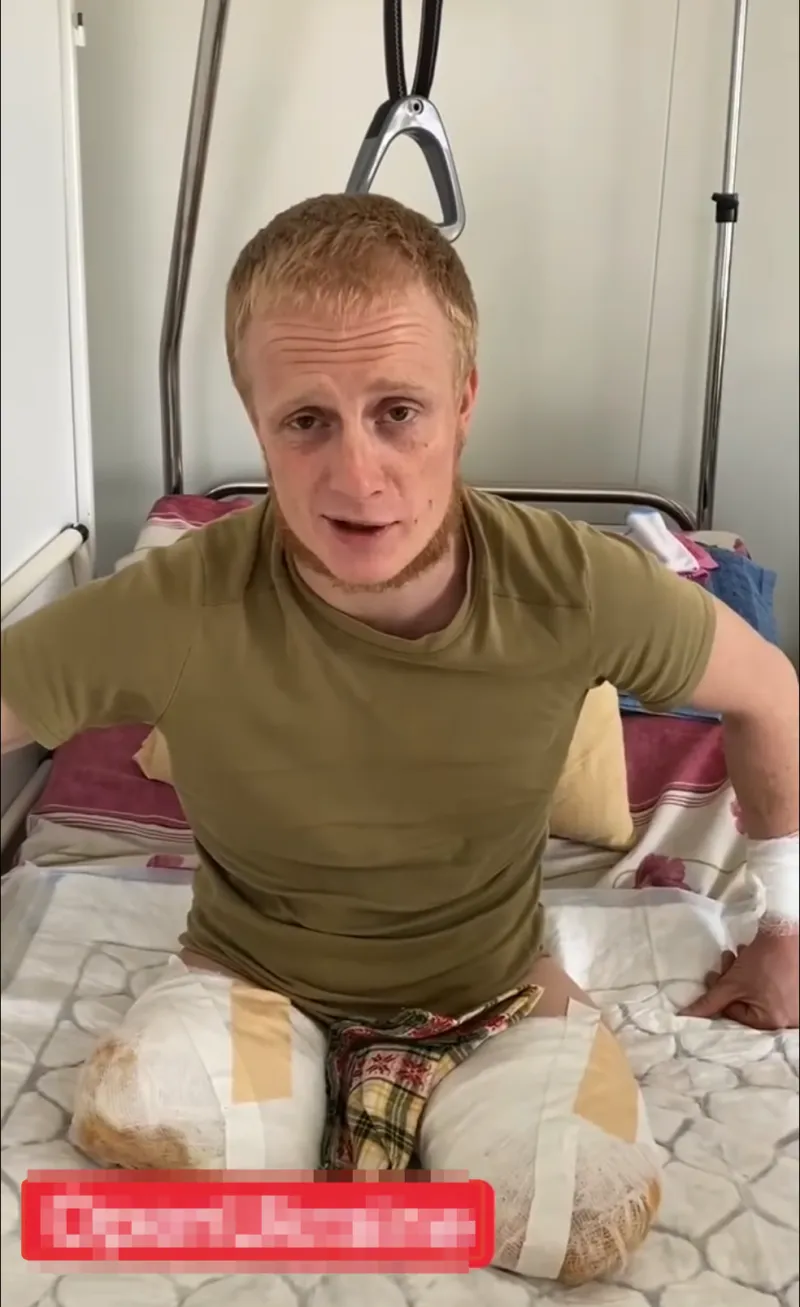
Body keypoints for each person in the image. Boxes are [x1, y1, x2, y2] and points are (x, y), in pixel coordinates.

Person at [1, 193, 797, 1279]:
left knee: (575, 1220)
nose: (357, 476)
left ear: (463, 403)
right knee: (177, 1159)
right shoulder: (177, 604)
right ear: (256, 420)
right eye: (305, 420)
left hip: (497, 996)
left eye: (398, 411)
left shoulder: (573, 586)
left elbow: (769, 693)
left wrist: (784, 924)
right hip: (251, 984)